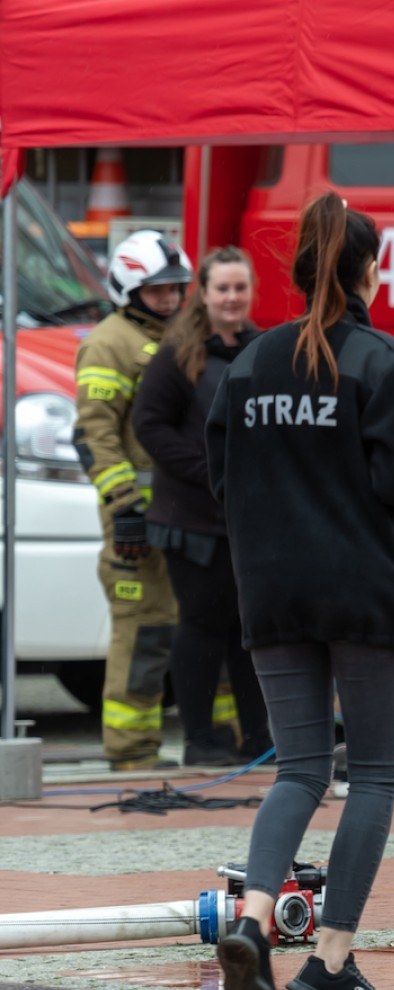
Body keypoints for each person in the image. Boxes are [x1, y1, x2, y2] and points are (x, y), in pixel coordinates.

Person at [206, 191, 394, 990]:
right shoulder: (386, 363)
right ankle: (332, 957)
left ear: (302, 273)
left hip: (270, 590)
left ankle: (255, 918)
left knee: (298, 770)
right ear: (370, 271)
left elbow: (222, 478)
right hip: (364, 590)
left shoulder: (247, 365)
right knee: (374, 775)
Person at [131, 247, 270, 768]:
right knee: (201, 628)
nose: (232, 298)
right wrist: (206, 472)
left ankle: (257, 737)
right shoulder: (176, 354)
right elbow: (150, 426)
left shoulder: (260, 349)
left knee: (249, 630)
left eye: (240, 288)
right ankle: (200, 740)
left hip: (247, 520)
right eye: (222, 289)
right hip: (190, 520)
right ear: (204, 295)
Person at [74, 229, 193, 770]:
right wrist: (124, 509)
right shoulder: (110, 342)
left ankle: (222, 741)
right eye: (157, 291)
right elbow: (95, 434)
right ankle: (131, 753)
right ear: (128, 288)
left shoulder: (184, 336)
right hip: (137, 523)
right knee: (144, 629)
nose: (168, 299)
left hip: (187, 515)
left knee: (200, 625)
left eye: (175, 289)